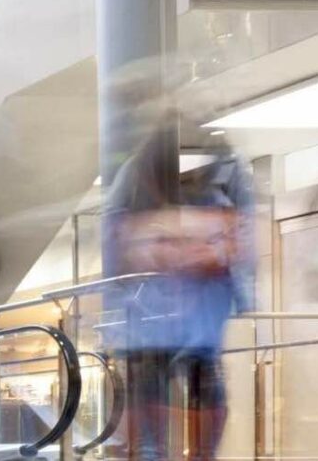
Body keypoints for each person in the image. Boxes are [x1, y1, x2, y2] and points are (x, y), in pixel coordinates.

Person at [106, 142, 256, 461]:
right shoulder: (137, 171)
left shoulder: (224, 165)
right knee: (156, 388)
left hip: (189, 321)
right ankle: (159, 453)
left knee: (197, 382)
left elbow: (241, 237)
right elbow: (117, 239)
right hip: (155, 322)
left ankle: (187, 455)